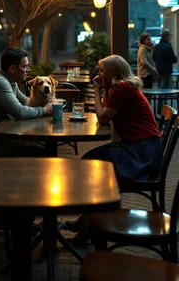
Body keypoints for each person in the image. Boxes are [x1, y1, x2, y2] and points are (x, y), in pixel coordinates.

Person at [65, 54, 163, 244]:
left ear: (112, 72)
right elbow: (106, 111)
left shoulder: (122, 89)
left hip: (142, 153)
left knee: (90, 166)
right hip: (144, 148)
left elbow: (102, 117)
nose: (99, 73)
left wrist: (96, 89)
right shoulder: (121, 88)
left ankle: (88, 227)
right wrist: (103, 89)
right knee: (92, 163)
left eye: (102, 70)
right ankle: (87, 221)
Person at [0, 46, 53, 158]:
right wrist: (44, 110)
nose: (28, 70)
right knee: (45, 155)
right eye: (25, 66)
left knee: (41, 151)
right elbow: (20, 112)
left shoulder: (10, 81)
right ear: (12, 69)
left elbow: (26, 102)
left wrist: (45, 101)